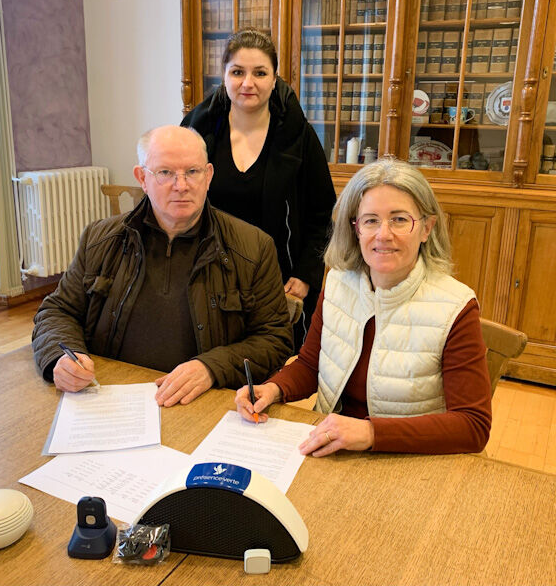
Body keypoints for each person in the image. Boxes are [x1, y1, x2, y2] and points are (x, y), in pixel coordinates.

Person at [235, 158, 492, 455]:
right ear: (356, 229)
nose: (383, 234)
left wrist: (371, 432)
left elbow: (472, 426)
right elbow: (310, 364)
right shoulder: (338, 283)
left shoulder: (456, 307)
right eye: (371, 220)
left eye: (399, 219)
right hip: (332, 444)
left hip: (409, 459)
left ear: (426, 228)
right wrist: (273, 389)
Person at [32, 125, 293, 407]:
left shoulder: (253, 247)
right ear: (142, 178)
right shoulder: (100, 239)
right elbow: (57, 311)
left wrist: (212, 368)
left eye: (192, 172)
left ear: (208, 176)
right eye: (165, 173)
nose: (181, 185)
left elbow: (275, 340)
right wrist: (63, 357)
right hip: (110, 398)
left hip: (205, 403)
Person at [181, 28, 335, 350]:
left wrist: (306, 275)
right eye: (237, 72)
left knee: (272, 375)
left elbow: (323, 215)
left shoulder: (300, 138)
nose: (247, 83)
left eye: (260, 73)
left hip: (279, 284)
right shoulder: (197, 135)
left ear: (275, 78)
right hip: (209, 280)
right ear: (223, 76)